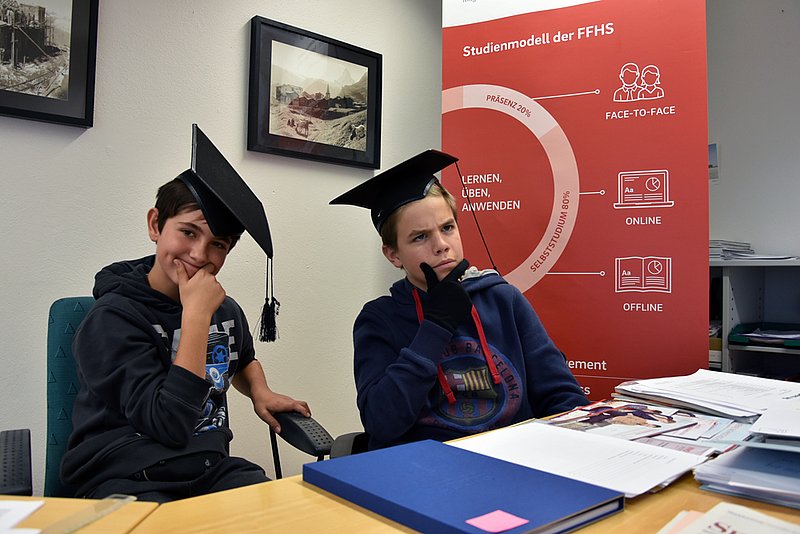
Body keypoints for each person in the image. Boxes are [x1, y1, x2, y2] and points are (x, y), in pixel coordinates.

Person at [61, 124, 310, 502]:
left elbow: (242, 358)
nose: (199, 255)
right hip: (125, 474)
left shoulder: (223, 308)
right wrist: (194, 316)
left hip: (207, 468)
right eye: (188, 233)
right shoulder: (112, 318)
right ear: (155, 225)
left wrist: (260, 391)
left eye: (218, 245)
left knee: (279, 511)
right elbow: (169, 425)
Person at [330, 149, 589, 450]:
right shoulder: (379, 319)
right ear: (393, 255)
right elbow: (382, 423)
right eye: (420, 237)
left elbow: (563, 397)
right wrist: (436, 327)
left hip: (515, 460)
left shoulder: (503, 299)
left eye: (447, 228)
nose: (441, 246)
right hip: (426, 469)